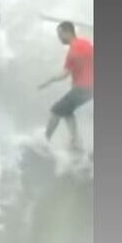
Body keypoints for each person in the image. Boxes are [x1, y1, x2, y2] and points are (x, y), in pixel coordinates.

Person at [38, 21, 93, 151]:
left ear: (67, 32)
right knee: (67, 110)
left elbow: (64, 74)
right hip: (90, 89)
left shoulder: (73, 51)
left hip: (83, 88)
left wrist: (49, 80)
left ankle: (45, 141)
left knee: (56, 110)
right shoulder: (86, 43)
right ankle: (75, 141)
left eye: (60, 34)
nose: (59, 38)